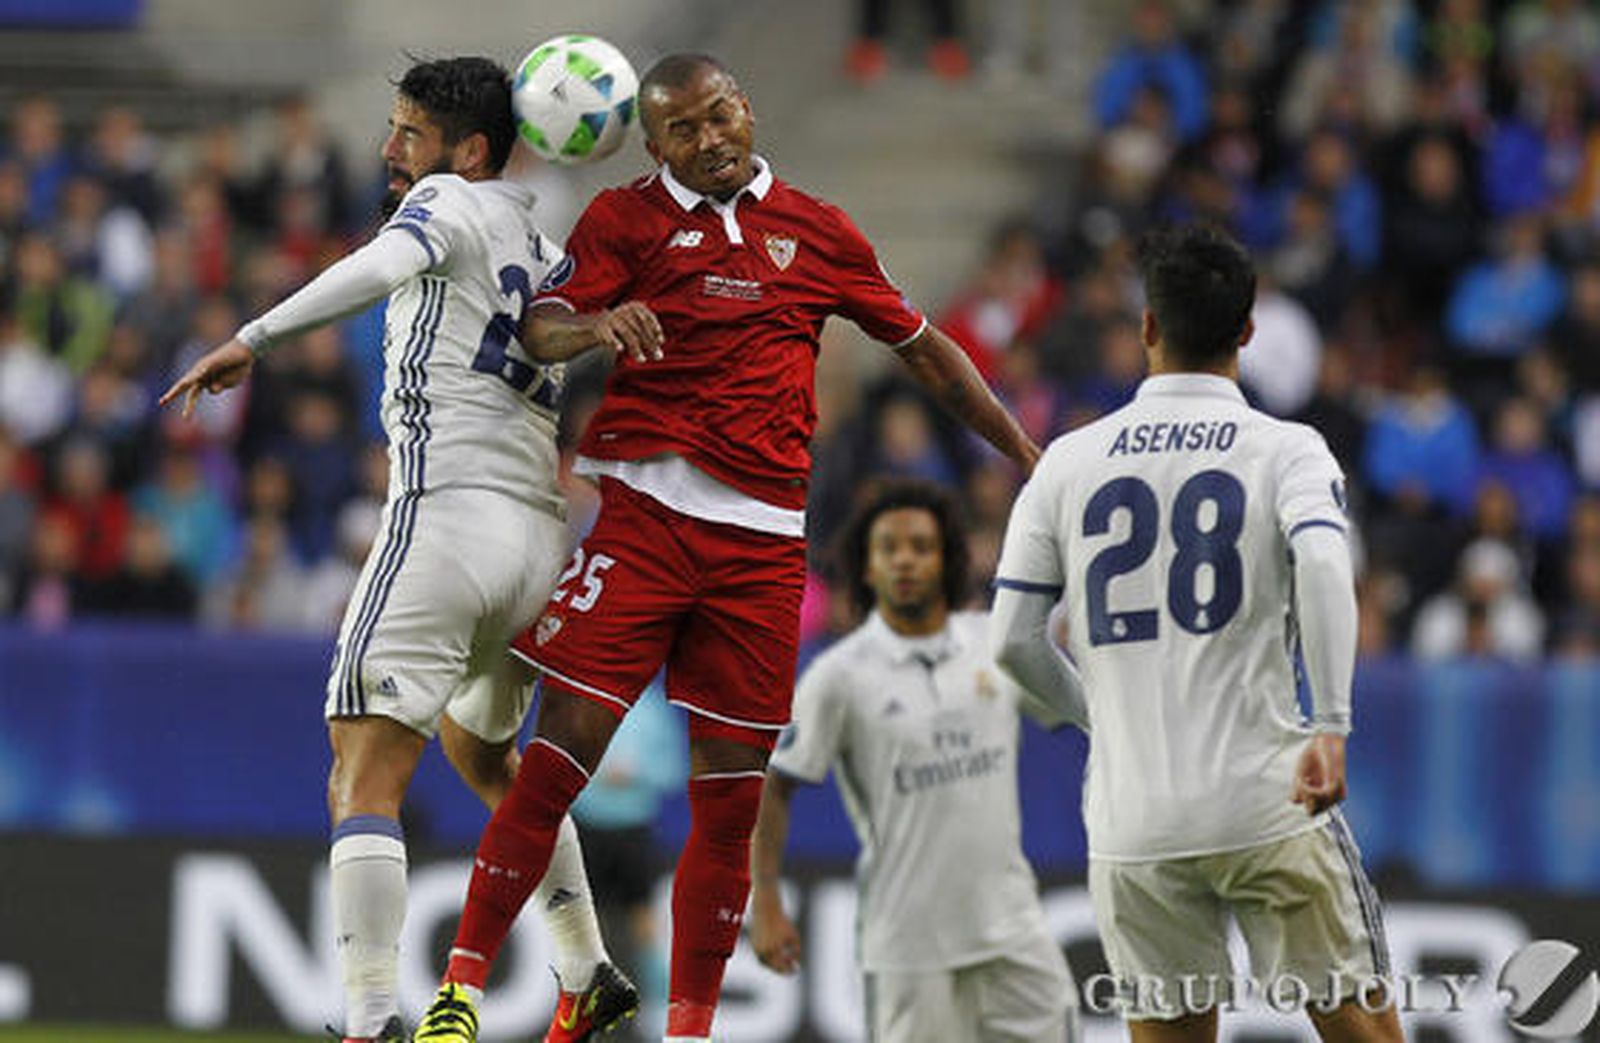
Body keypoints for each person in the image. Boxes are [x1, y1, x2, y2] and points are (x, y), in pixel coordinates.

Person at [413, 52, 1040, 1043]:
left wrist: (1024, 452)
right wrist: (595, 329)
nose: (708, 140)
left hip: (760, 550)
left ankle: (692, 1029)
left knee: (729, 804)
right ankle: (458, 992)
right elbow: (537, 327)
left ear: (744, 106)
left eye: (718, 116)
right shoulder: (622, 220)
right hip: (645, 518)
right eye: (682, 130)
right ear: (650, 141)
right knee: (553, 763)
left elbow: (922, 347)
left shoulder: (820, 230)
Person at [160, 57, 639, 1043]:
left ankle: (370, 1017)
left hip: (446, 512)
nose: (390, 149)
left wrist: (257, 333)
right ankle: (586, 962)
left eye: (408, 132)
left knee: (361, 773)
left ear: (465, 151)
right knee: (488, 758)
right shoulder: (541, 242)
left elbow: (379, 266)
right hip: (533, 543)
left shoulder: (446, 205)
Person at [991, 223, 1402, 1042]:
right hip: (1268, 797)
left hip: (1133, 820)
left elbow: (1013, 641)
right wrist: (1331, 726)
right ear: (1247, 331)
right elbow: (1325, 564)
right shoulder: (1286, 448)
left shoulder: (1068, 461)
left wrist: (1094, 717)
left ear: (1147, 326)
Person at [749, 479, 1080, 1042]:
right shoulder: (839, 675)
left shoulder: (997, 646)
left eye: (921, 547)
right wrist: (767, 903)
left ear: (946, 557)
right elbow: (774, 787)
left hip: (1013, 928)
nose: (905, 560)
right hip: (908, 946)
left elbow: (1087, 713)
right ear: (867, 566)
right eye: (889, 548)